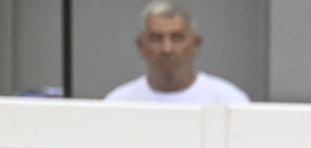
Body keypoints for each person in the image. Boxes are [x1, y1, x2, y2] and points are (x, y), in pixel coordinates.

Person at [104, 1, 250, 105]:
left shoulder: (228, 101)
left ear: (195, 44)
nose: (167, 48)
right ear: (141, 46)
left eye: (176, 38)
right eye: (156, 39)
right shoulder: (118, 103)